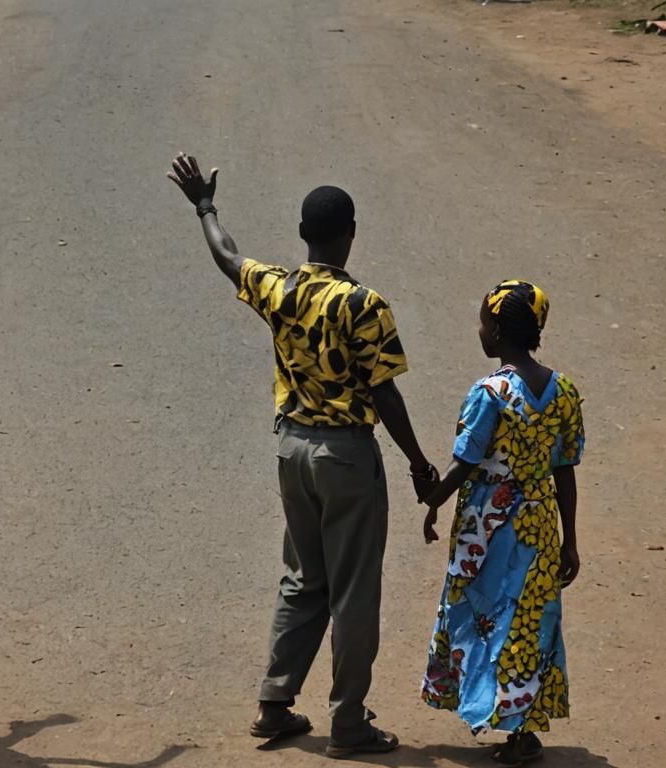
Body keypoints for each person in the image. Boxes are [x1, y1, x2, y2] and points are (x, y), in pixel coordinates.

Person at [167, 153, 439, 758]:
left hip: (293, 451)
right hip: (346, 457)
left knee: (303, 578)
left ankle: (274, 702)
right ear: (350, 234)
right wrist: (420, 464)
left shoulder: (280, 289)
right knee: (353, 591)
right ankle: (349, 725)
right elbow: (384, 392)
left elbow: (227, 255)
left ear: (302, 235)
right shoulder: (364, 305)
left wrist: (204, 206)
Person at [418, 280, 584, 766]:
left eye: (483, 323)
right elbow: (565, 470)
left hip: (487, 528)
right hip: (539, 525)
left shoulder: (490, 392)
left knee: (483, 613)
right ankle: (522, 726)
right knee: (528, 619)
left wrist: (432, 501)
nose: (480, 331)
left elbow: (465, 461)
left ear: (499, 332)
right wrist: (569, 540)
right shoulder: (564, 392)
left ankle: (510, 724)